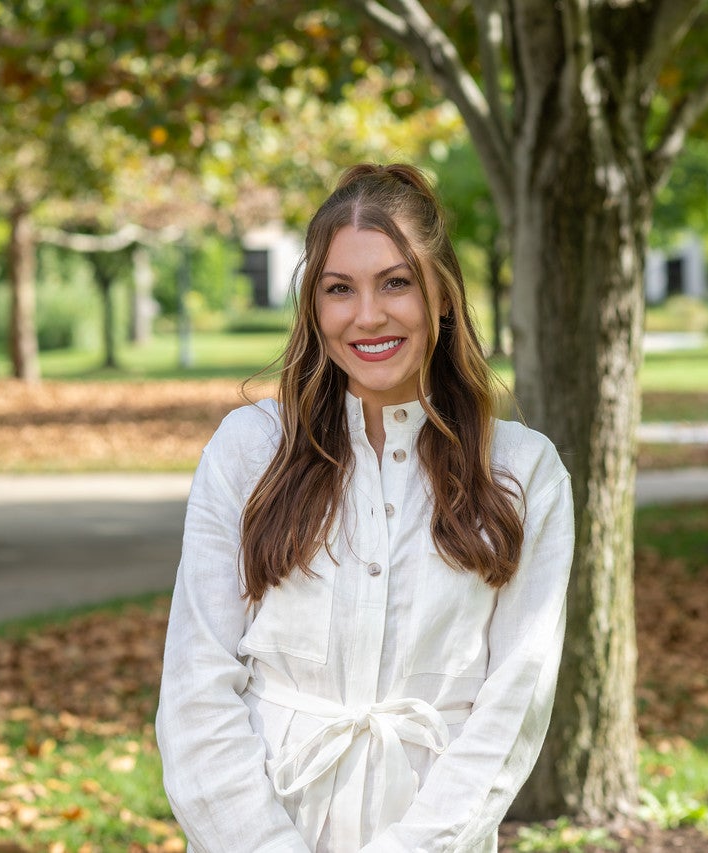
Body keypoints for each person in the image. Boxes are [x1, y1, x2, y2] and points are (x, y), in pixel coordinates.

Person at [156, 163, 574, 853]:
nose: (368, 314)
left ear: (441, 294)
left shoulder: (524, 474)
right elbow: (196, 689)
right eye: (340, 289)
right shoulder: (248, 451)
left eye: (396, 282)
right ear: (315, 308)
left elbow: (513, 703)